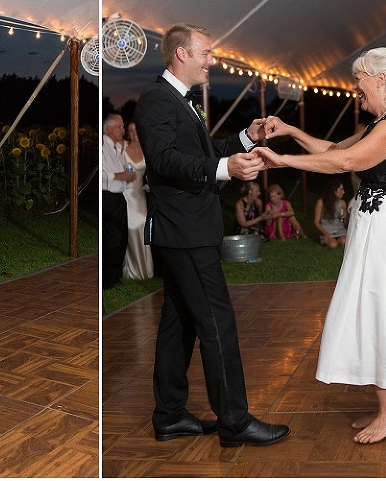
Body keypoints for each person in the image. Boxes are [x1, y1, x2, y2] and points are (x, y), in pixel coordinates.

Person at [257, 47, 386, 444]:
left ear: (380, 79)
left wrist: (282, 160)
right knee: (373, 306)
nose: (355, 88)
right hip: (377, 225)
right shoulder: (381, 123)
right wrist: (291, 131)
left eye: (358, 80)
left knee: (376, 306)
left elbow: (346, 164)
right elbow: (335, 151)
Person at [134, 23, 290, 448]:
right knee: (217, 323)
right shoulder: (156, 100)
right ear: (181, 54)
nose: (211, 60)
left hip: (186, 229)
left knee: (179, 322)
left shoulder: (182, 102)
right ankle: (234, 422)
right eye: (205, 53)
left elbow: (202, 153)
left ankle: (169, 416)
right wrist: (226, 169)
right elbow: (164, 161)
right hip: (184, 231)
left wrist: (246, 139)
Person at [102, 113, 136, 289]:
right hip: (108, 197)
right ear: (108, 129)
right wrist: (120, 175)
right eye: (119, 126)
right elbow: (102, 175)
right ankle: (107, 279)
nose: (123, 130)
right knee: (113, 238)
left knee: (121, 238)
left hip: (119, 197)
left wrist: (125, 177)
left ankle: (115, 276)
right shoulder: (102, 146)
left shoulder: (116, 147)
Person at [122, 121, 154, 279]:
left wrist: (149, 185)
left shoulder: (148, 149)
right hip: (125, 194)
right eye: (131, 130)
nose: (134, 133)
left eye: (136, 130)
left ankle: (145, 270)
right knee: (129, 228)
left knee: (142, 228)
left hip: (140, 196)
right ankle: (130, 270)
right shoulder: (122, 148)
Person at [313, 178, 348, 248]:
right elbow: (316, 222)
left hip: (340, 230)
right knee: (333, 245)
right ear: (334, 191)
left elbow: (344, 223)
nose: (343, 192)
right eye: (341, 189)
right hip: (327, 231)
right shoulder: (321, 202)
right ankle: (333, 241)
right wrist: (324, 233)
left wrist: (345, 217)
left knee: (344, 241)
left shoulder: (342, 203)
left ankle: (338, 240)